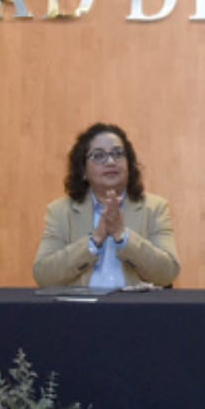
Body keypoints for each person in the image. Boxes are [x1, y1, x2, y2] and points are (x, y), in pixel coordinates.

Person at [33, 123, 180, 289]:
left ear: (129, 166)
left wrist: (123, 236)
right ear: (83, 170)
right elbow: (44, 275)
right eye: (98, 155)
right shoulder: (61, 211)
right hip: (81, 311)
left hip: (135, 310)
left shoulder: (154, 208)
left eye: (118, 154)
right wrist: (94, 241)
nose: (110, 161)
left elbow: (168, 273)